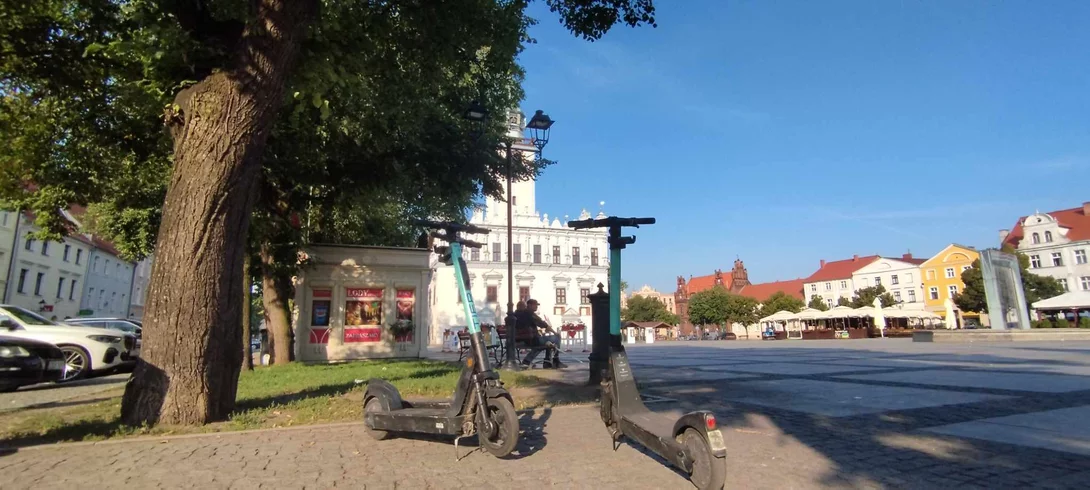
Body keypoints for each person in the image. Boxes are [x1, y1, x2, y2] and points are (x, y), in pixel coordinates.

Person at [516, 299, 565, 368]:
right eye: (535, 305)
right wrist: (555, 332)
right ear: (529, 305)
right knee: (556, 338)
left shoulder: (516, 315)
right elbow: (543, 324)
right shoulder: (530, 314)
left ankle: (544, 361)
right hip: (530, 340)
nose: (536, 306)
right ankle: (554, 360)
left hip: (520, 339)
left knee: (548, 342)